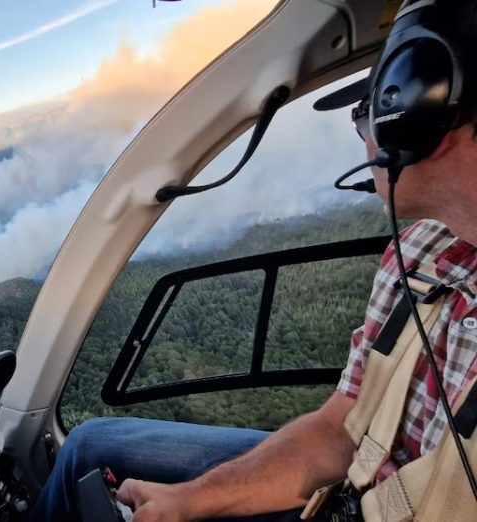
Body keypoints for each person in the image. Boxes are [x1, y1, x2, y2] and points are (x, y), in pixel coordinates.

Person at [29, 1, 477, 521]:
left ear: (416, 106)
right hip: (353, 491)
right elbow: (340, 427)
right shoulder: (418, 251)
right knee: (87, 448)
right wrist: (188, 501)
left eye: (366, 114)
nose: (364, 141)